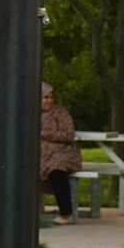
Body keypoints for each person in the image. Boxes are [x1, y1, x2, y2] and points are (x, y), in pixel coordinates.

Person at [40, 82, 82, 225]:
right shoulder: (31, 114)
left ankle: (66, 213)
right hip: (41, 155)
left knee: (56, 169)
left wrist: (43, 133)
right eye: (45, 97)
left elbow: (68, 135)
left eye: (51, 97)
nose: (49, 101)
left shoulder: (60, 113)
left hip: (63, 153)